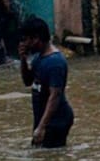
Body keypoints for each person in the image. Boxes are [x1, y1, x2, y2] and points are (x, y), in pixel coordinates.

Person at [18, 16, 74, 148]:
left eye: (26, 40)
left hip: (56, 120)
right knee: (42, 157)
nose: (24, 44)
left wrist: (42, 127)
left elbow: (55, 95)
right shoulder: (39, 57)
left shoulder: (55, 62)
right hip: (43, 119)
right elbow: (27, 81)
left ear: (36, 38)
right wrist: (23, 59)